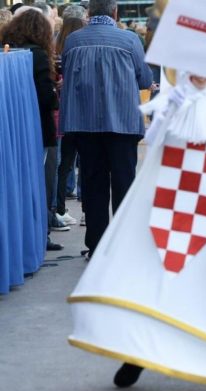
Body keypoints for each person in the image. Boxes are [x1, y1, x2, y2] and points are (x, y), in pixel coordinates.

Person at [69, 74, 206, 391]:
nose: (201, 73)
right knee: (151, 287)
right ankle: (137, 353)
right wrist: (168, 112)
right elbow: (152, 145)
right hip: (163, 216)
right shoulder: (174, 103)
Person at [59, 0, 154, 257]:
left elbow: (66, 74)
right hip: (122, 123)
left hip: (84, 123)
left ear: (89, 13)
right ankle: (124, 247)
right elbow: (145, 79)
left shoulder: (73, 41)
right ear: (115, 12)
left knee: (93, 183)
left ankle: (97, 246)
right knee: (124, 183)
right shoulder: (129, 39)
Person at [1, 9, 64, 251]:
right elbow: (46, 97)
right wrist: (56, 92)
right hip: (37, 126)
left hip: (11, 129)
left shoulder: (9, 52)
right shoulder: (37, 55)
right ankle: (40, 236)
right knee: (39, 182)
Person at [54, 17, 87, 228]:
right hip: (82, 114)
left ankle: (59, 208)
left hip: (64, 115)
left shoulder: (57, 49)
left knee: (63, 165)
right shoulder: (81, 48)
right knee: (87, 163)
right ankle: (86, 210)